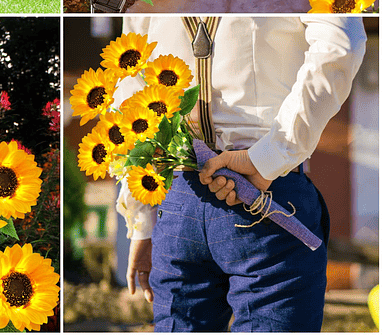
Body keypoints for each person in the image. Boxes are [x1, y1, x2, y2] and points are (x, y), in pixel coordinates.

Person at [115, 16, 366, 332]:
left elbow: (128, 86)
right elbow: (341, 43)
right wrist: (269, 157)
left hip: (179, 204)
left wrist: (141, 220)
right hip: (266, 195)